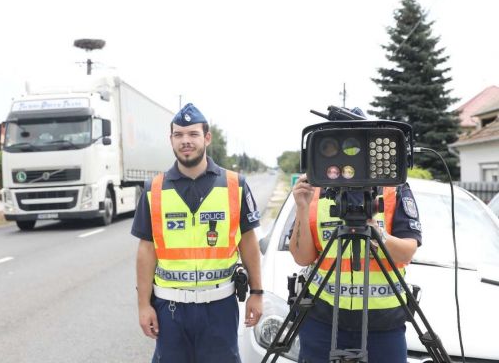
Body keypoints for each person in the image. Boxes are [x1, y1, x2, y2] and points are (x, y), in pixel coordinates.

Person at [132, 103, 263, 363]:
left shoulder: (235, 185)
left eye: (193, 134)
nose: (186, 141)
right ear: (171, 140)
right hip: (170, 309)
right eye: (179, 135)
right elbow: (146, 250)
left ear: (207, 137)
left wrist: (257, 293)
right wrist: (143, 305)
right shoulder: (153, 189)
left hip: (219, 307)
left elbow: (248, 242)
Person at [288, 111, 422, 363]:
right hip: (322, 320)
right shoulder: (314, 191)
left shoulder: (394, 189)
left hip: (383, 324)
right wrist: (302, 208)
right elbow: (302, 257)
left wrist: (378, 235)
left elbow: (407, 252)